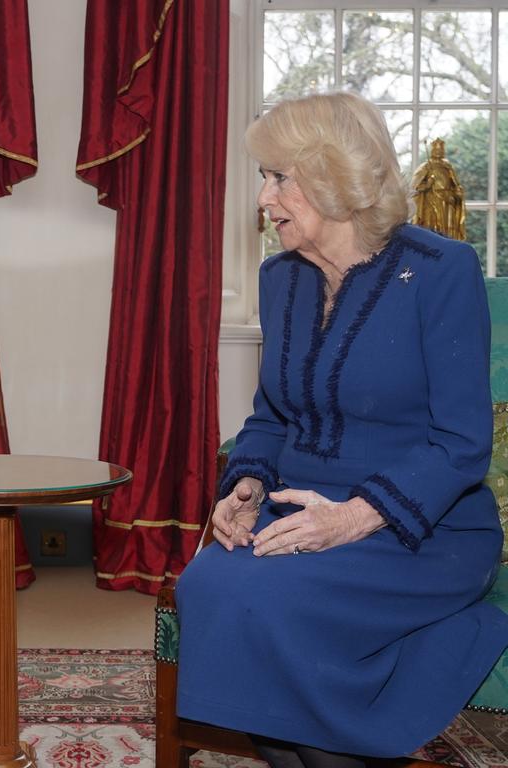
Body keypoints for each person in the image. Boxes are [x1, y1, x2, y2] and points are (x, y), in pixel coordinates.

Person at [175, 92, 508, 767]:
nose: (263, 199)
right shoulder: (280, 279)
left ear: (331, 176)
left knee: (268, 608)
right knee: (207, 585)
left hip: (423, 528)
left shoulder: (442, 272)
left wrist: (355, 518)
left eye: (276, 177)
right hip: (298, 513)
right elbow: (272, 416)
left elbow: (462, 443)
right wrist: (246, 484)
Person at [411, 137, 467, 240]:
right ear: (432, 150)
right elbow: (415, 187)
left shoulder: (447, 166)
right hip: (431, 202)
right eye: (436, 149)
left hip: (447, 202)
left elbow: (456, 185)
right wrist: (428, 184)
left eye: (441, 149)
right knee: (430, 229)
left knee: (447, 230)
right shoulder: (426, 166)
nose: (439, 151)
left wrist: (457, 194)